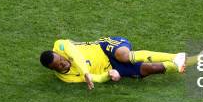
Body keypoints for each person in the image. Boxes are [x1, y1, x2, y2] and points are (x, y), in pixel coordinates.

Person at [40, 36, 187, 90]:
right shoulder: (66, 77)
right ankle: (177, 66)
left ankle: (176, 56)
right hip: (113, 67)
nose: (63, 64)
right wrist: (108, 75)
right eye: (58, 66)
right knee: (150, 69)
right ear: (52, 69)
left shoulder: (60, 45)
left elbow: (76, 55)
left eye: (61, 60)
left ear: (59, 54)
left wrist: (85, 72)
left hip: (105, 48)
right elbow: (93, 78)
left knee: (124, 55)